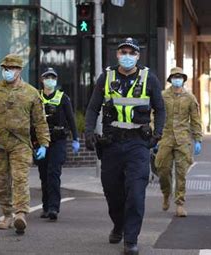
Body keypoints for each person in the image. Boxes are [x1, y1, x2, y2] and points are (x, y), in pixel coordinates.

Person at [85, 37, 165, 255]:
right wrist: (89, 132)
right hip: (111, 143)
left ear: (138, 56)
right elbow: (92, 108)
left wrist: (157, 134)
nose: (127, 56)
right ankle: (118, 225)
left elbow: (160, 109)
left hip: (138, 144)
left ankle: (131, 239)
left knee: (136, 193)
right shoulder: (106, 77)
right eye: (123, 52)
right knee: (113, 192)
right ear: (117, 54)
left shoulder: (149, 78)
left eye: (131, 52)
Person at [0, 53, 50, 235]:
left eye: (12, 68)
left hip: (20, 144)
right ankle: (7, 214)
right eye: (6, 68)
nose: (8, 71)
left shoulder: (31, 93)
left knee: (20, 178)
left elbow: (40, 121)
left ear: (19, 70)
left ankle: (21, 214)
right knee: (1, 182)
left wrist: (44, 144)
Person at [155, 67, 203, 217]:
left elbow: (195, 119)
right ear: (170, 79)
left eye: (180, 76)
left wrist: (198, 139)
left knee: (181, 172)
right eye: (174, 76)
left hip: (183, 139)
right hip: (165, 137)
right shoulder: (162, 96)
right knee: (162, 169)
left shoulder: (190, 97)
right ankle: (166, 193)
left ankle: (180, 203)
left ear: (183, 79)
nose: (177, 79)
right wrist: (154, 135)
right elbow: (154, 115)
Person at [36, 67, 80, 221]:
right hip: (40, 142)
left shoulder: (63, 98)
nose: (50, 80)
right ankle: (46, 206)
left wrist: (75, 138)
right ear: (42, 80)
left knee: (53, 173)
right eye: (47, 77)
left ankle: (54, 208)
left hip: (58, 141)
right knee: (43, 175)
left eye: (53, 78)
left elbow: (71, 119)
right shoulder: (36, 97)